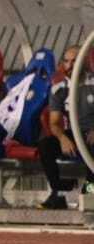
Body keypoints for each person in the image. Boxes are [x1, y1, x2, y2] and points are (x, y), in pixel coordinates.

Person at [37, 67, 94, 209]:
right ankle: (59, 192)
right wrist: (62, 138)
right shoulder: (60, 89)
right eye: (66, 61)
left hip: (91, 133)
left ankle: (89, 193)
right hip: (74, 133)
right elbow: (54, 123)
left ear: (84, 61)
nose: (70, 66)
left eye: (74, 61)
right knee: (46, 145)